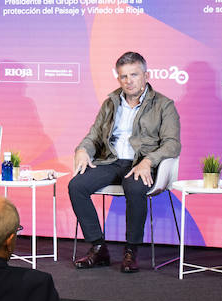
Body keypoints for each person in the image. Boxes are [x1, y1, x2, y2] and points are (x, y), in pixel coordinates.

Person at [69, 51, 181, 274]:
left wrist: (149, 160)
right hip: (111, 161)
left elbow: (172, 144)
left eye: (134, 75)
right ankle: (98, 247)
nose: (129, 81)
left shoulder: (164, 105)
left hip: (141, 163)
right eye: (123, 76)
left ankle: (131, 251)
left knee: (134, 186)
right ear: (118, 78)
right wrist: (82, 150)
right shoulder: (110, 102)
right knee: (76, 185)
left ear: (146, 75)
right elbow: (93, 135)